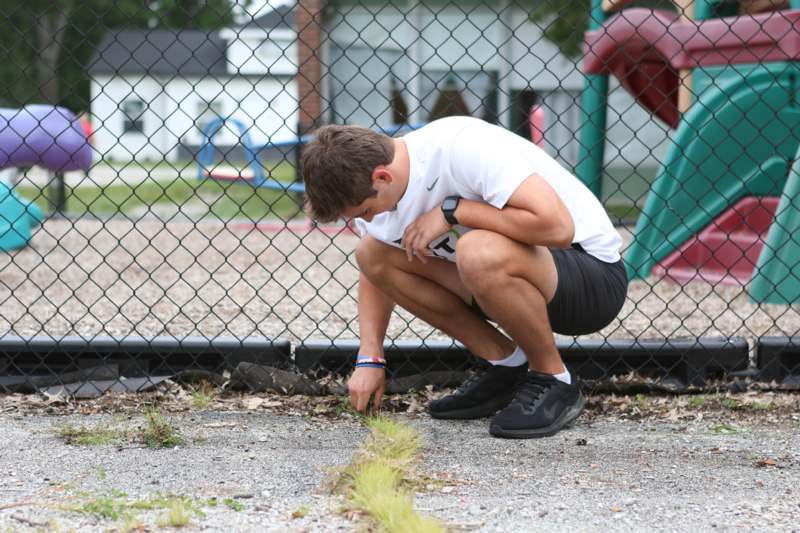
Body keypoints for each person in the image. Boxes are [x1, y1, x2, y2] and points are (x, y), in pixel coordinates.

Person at [301, 117, 627, 438]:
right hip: (506, 281)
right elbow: (375, 272)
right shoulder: (378, 193)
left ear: (382, 176)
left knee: (476, 249)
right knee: (372, 253)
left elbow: (558, 228)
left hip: (589, 274)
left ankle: (554, 379)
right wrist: (370, 357)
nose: (367, 220)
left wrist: (453, 212)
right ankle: (507, 366)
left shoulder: (460, 147)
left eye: (365, 212)